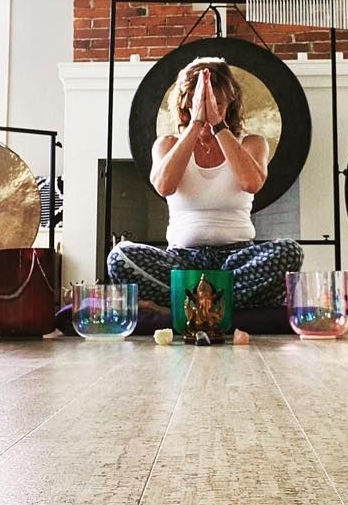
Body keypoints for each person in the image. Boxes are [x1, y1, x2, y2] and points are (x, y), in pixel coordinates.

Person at [107, 56, 303, 314]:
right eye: (196, 103)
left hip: (237, 260)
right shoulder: (166, 144)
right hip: (182, 262)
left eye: (216, 103)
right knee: (119, 257)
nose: (207, 109)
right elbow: (164, 186)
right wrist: (196, 124)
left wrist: (219, 126)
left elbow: (252, 183)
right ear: (184, 105)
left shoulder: (252, 143)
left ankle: (183, 306)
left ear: (230, 103)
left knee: (290, 252)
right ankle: (222, 305)